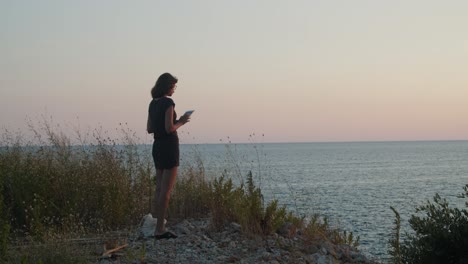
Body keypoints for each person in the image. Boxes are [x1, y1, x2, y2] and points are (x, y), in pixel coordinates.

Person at [147, 72, 190, 239]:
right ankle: (160, 229)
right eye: (173, 86)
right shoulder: (168, 102)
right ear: (168, 87)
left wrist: (172, 122)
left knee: (159, 188)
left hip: (157, 146)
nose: (174, 89)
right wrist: (182, 121)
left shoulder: (153, 103)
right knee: (166, 191)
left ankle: (157, 224)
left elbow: (150, 128)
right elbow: (169, 128)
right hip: (169, 146)